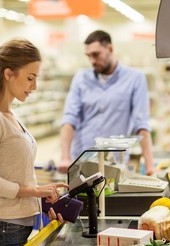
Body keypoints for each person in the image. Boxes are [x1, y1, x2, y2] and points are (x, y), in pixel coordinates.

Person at [0, 38, 68, 246]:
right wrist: (34, 191)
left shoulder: (11, 115)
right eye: (30, 78)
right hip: (1, 231)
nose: (34, 86)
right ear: (8, 74)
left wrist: (42, 194)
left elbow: (14, 173)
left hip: (16, 228)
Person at [58, 30, 155, 175]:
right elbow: (69, 119)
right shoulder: (81, 78)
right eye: (88, 56)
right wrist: (65, 157)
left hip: (115, 163)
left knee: (112, 198)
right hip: (81, 160)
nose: (92, 61)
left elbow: (141, 124)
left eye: (96, 54)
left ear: (110, 49)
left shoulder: (135, 78)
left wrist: (150, 166)